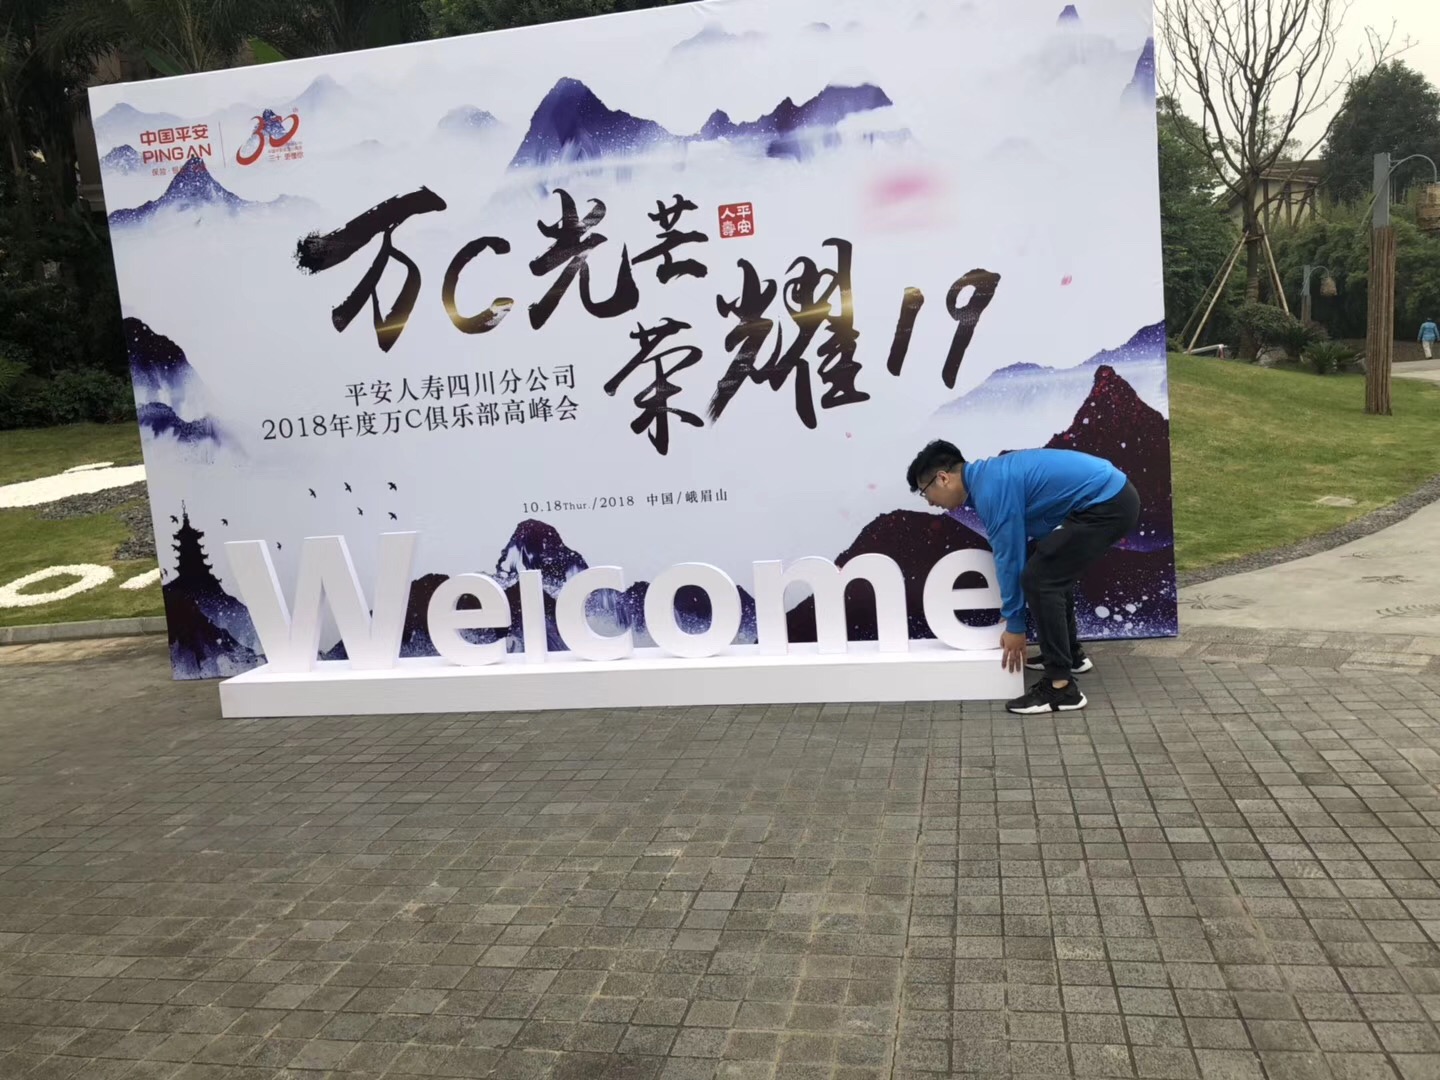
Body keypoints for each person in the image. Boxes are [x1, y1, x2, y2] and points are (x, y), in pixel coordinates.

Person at [906, 440, 1140, 715]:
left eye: (926, 492)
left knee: (1041, 579)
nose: (930, 502)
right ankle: (1070, 656)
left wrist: (1015, 626)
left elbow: (1009, 559)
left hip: (1108, 504)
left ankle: (1061, 688)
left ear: (943, 478)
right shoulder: (988, 478)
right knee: (1050, 569)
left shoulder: (991, 489)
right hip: (1109, 497)